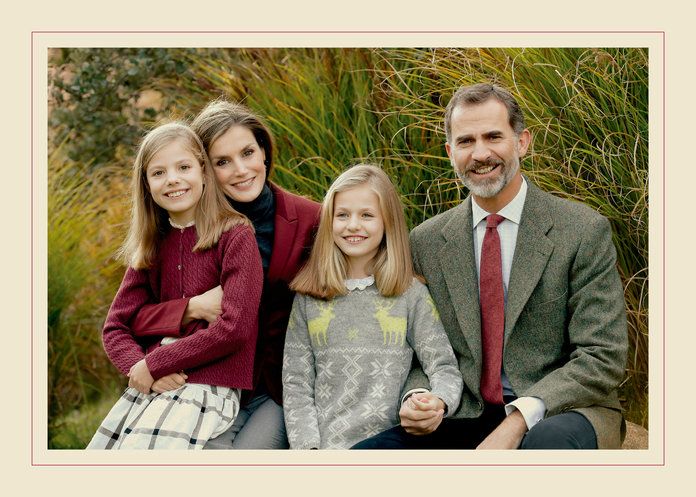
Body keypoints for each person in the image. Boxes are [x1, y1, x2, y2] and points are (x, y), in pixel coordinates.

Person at [353, 83, 628, 450]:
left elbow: (602, 355)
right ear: (451, 152)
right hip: (463, 410)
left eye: (493, 136)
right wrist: (418, 397)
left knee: (545, 445)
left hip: (563, 411)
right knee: (366, 459)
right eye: (466, 141)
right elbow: (419, 350)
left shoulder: (581, 231)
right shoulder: (426, 241)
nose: (480, 153)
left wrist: (517, 421)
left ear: (522, 142)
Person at [127, 101, 320, 449]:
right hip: (202, 383)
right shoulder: (179, 231)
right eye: (222, 162)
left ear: (264, 152)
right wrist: (191, 307)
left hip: (278, 387)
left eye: (248, 152)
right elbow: (130, 317)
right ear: (204, 168)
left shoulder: (311, 220)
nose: (241, 170)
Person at [87, 122, 263, 449]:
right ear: (146, 185)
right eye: (158, 173)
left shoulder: (235, 236)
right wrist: (144, 371)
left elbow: (234, 329)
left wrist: (154, 363)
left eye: (183, 167)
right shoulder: (152, 246)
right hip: (158, 385)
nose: (172, 179)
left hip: (209, 386)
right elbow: (115, 327)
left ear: (204, 172)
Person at [282, 164, 462, 449]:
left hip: (389, 444)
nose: (353, 225)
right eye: (342, 215)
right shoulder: (309, 298)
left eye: (367, 215)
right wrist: (309, 452)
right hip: (326, 449)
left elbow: (443, 366)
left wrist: (437, 402)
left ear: (387, 222)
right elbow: (296, 386)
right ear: (329, 221)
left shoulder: (410, 293)